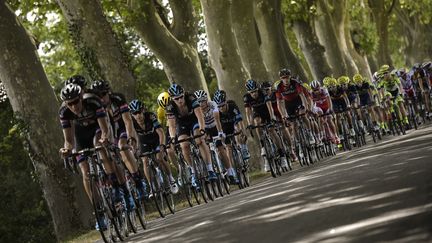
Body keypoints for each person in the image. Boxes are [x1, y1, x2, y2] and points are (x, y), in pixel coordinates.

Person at [58, 83, 123, 230]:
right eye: (70, 104)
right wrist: (66, 151)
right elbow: (69, 141)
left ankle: (115, 187)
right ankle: (99, 211)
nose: (74, 106)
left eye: (76, 101)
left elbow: (105, 129)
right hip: (80, 135)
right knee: (85, 172)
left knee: (99, 146)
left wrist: (105, 139)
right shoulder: (64, 112)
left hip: (98, 129)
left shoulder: (93, 102)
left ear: (81, 97)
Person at [166, 83, 217, 187]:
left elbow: (199, 116)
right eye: (176, 99)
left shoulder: (191, 98)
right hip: (182, 124)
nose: (180, 100)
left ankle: (210, 169)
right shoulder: (170, 107)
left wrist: (202, 129)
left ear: (184, 94)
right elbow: (171, 126)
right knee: (184, 146)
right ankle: (194, 171)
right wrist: (172, 138)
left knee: (199, 140)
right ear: (172, 99)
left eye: (181, 97)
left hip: (194, 120)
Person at [128, 99, 179, 194]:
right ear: (132, 114)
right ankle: (152, 187)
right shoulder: (132, 123)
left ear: (143, 110)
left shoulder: (151, 117)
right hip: (144, 142)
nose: (138, 115)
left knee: (159, 158)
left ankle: (171, 179)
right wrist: (134, 150)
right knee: (145, 161)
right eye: (134, 113)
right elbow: (133, 138)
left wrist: (162, 145)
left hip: (156, 140)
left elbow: (160, 132)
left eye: (139, 112)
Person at [194, 90, 239, 184]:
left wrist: (220, 132)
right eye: (199, 102)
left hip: (215, 126)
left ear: (206, 100)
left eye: (203, 101)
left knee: (221, 149)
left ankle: (231, 173)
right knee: (203, 145)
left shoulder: (213, 104)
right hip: (205, 129)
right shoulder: (196, 109)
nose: (201, 104)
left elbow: (217, 119)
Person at [243, 79, 289, 171]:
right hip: (258, 113)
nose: (254, 94)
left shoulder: (263, 93)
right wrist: (250, 123)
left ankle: (282, 155)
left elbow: (269, 106)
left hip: (267, 112)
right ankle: (263, 146)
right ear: (249, 92)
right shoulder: (247, 97)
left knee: (272, 131)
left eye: (255, 91)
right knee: (257, 122)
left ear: (258, 89)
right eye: (252, 92)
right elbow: (248, 112)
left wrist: (272, 118)